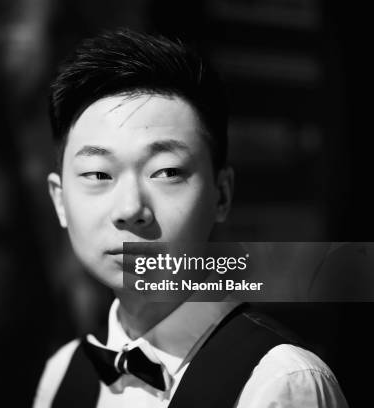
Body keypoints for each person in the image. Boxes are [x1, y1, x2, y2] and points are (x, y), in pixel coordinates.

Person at [33, 29, 348, 408]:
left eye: (166, 172)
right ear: (60, 200)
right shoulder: (63, 372)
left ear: (222, 194)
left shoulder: (278, 384)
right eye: (99, 174)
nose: (131, 208)